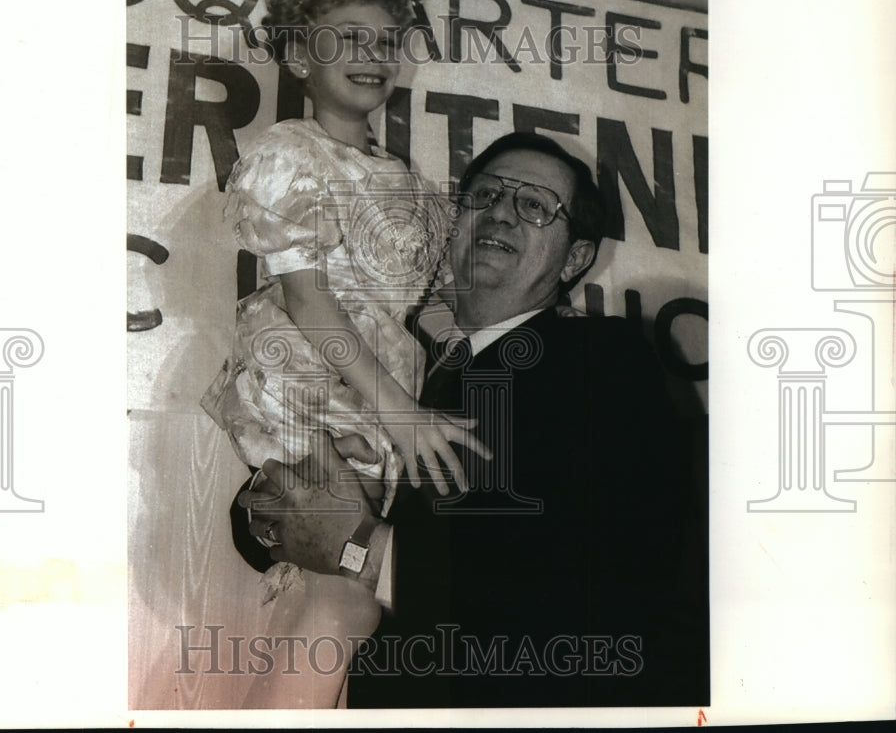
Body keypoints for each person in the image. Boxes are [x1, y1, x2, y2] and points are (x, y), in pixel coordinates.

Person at [239, 132, 710, 708]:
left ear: (577, 257)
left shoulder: (603, 360)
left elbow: (605, 573)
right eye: (483, 195)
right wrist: (272, 510)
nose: (501, 213)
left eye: (534, 205)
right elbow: (280, 505)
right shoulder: (408, 369)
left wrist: (359, 548)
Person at [200, 0, 485, 708]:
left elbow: (417, 304)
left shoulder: (411, 185)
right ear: (299, 54)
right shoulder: (291, 155)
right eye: (349, 38)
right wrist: (397, 406)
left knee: (350, 598)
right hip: (315, 382)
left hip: (375, 396)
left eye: (387, 41)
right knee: (351, 597)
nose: (374, 57)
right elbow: (308, 302)